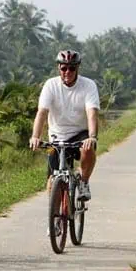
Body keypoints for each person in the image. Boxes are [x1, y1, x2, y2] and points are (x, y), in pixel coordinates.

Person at [29, 50, 100, 213]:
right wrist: (35, 137)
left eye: (72, 68)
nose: (67, 72)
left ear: (78, 69)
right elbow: (42, 113)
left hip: (81, 133)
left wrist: (92, 136)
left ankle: (83, 183)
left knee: (87, 148)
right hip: (57, 137)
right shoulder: (50, 85)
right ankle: (54, 219)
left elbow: (92, 113)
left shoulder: (88, 85)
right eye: (64, 68)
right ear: (59, 68)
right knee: (52, 181)